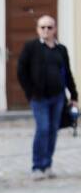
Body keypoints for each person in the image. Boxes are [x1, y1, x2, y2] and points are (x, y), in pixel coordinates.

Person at [17, 15, 78, 180]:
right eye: (42, 27)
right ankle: (37, 166)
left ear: (55, 29)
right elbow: (21, 71)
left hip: (58, 97)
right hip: (39, 98)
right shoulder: (31, 47)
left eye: (49, 27)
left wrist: (73, 95)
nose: (46, 30)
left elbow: (67, 73)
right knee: (43, 129)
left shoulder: (61, 49)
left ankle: (47, 165)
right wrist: (30, 92)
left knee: (52, 131)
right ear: (38, 29)